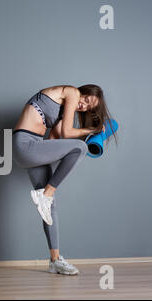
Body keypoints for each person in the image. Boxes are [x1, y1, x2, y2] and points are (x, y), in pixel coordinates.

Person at [12, 84, 118, 275]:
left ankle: (55, 260)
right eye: (86, 99)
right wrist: (90, 131)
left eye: (89, 107)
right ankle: (46, 194)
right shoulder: (71, 91)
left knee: (49, 206)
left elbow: (55, 141)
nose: (83, 106)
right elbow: (68, 135)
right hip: (25, 144)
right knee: (80, 148)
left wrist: (55, 176)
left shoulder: (62, 114)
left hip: (35, 148)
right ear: (82, 92)